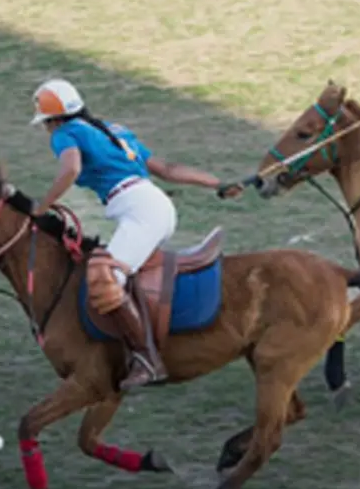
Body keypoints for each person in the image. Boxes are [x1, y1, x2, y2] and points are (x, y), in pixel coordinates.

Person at [27, 77, 241, 390]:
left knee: (106, 279)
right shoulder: (115, 130)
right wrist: (216, 182)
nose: (47, 129)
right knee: (124, 274)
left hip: (140, 211)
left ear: (54, 118)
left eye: (46, 123)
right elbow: (167, 169)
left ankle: (147, 359)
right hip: (156, 207)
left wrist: (42, 206)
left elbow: (71, 170)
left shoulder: (65, 133)